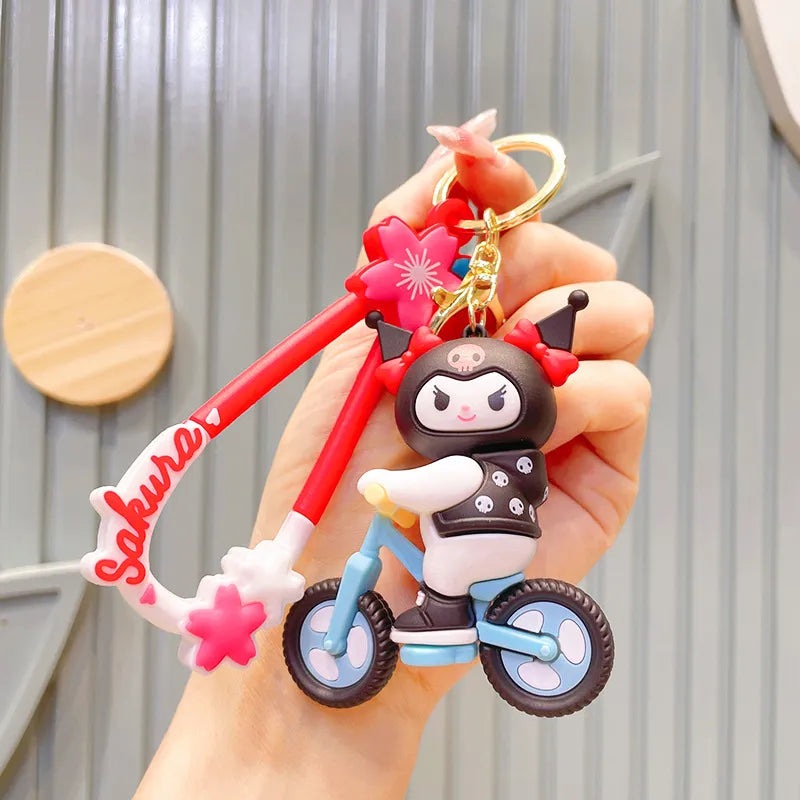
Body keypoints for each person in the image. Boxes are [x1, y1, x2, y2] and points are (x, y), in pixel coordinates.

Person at [135, 110, 653, 799]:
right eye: (443, 400)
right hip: (499, 532)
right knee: (442, 554)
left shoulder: (463, 465)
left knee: (441, 569)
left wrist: (388, 486)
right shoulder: (493, 457)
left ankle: (442, 614)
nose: (464, 412)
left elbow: (444, 481)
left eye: (489, 398)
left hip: (474, 534)